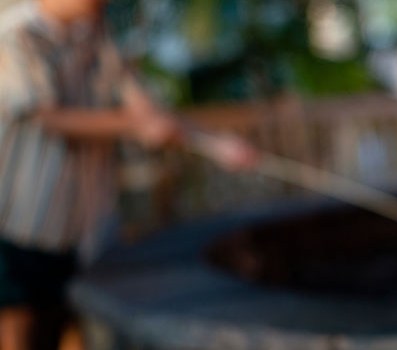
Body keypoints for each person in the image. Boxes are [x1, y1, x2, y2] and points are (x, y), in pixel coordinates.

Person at [0, 1, 256, 349]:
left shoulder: (95, 33)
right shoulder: (14, 35)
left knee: (62, 330)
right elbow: (47, 116)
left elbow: (141, 105)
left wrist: (213, 143)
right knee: (21, 333)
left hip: (80, 230)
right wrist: (135, 125)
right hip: (19, 228)